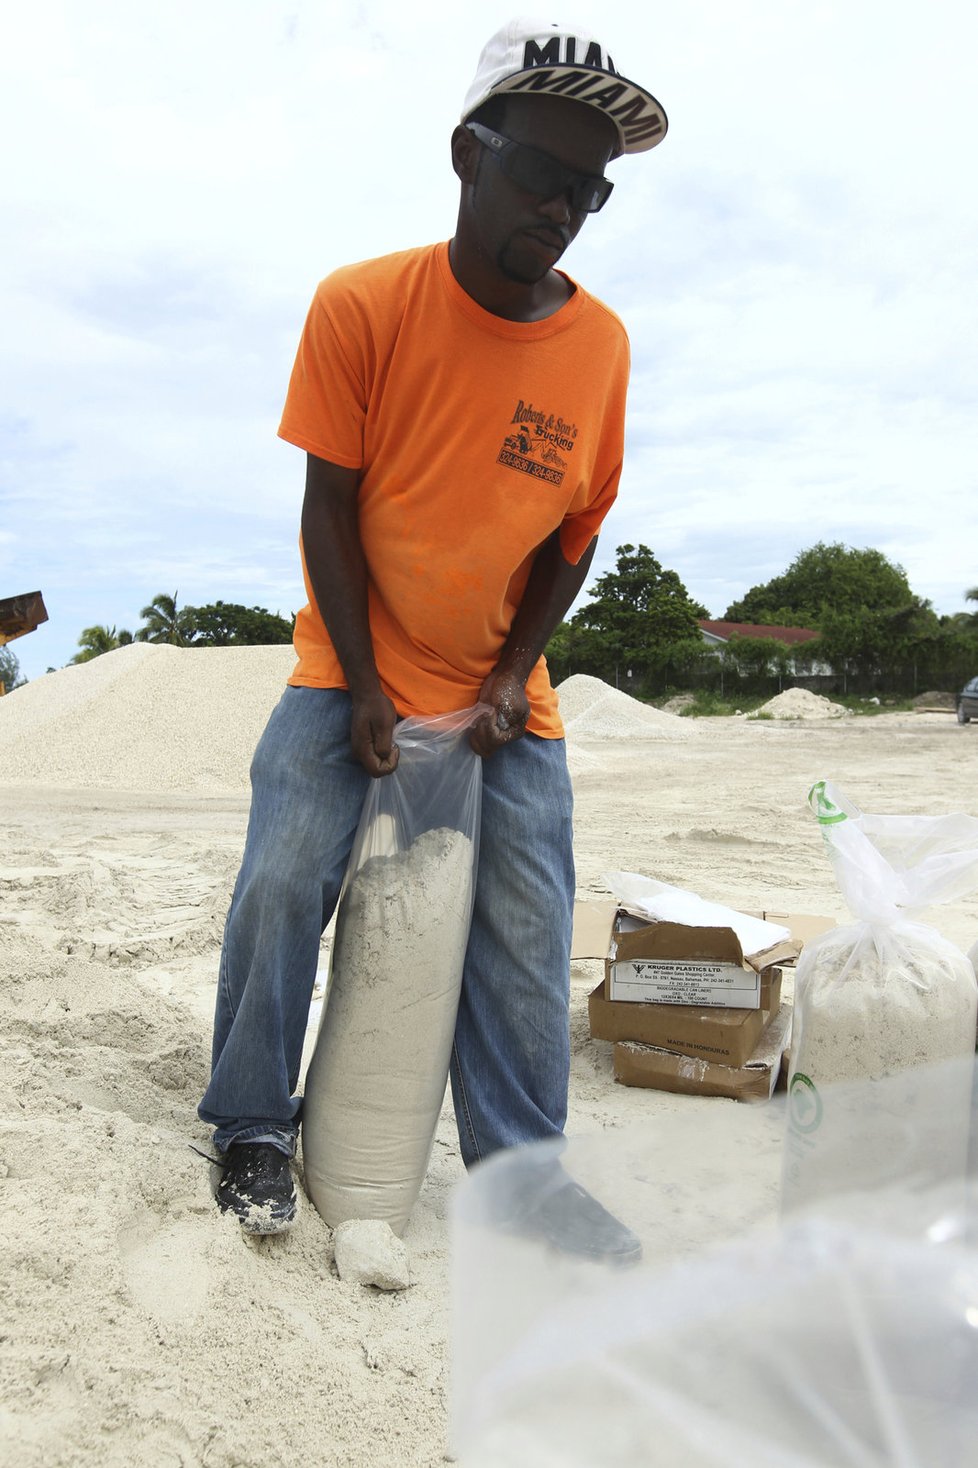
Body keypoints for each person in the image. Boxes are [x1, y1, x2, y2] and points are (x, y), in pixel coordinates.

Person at [198, 18, 667, 1259]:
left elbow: (574, 534)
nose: (563, 209)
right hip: (350, 660)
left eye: (591, 190)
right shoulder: (362, 306)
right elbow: (330, 506)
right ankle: (250, 1120)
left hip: (502, 685)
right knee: (287, 872)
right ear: (469, 154)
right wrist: (362, 685)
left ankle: (524, 1175)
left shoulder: (601, 348)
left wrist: (512, 673)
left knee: (528, 911)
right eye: (540, 174)